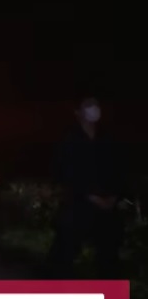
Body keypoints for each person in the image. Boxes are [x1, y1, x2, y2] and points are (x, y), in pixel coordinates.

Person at [46, 96, 124, 279]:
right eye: (88, 105)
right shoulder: (70, 138)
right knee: (65, 251)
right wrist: (89, 195)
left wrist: (113, 196)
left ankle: (108, 292)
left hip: (106, 206)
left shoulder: (106, 138)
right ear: (77, 112)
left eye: (95, 105)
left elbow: (117, 169)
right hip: (78, 204)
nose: (93, 109)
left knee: (109, 254)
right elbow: (65, 172)